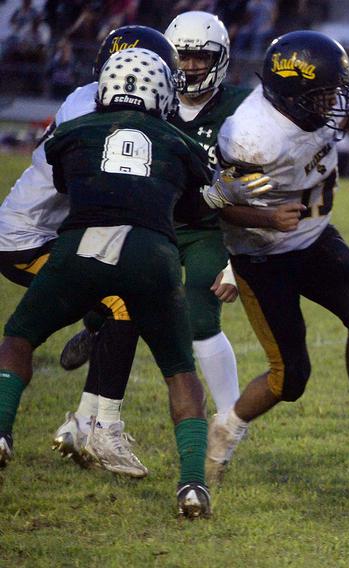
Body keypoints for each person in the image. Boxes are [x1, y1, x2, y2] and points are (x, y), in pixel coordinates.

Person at [199, 30, 349, 482]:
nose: (336, 100)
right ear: (294, 96)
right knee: (290, 378)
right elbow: (213, 202)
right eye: (325, 93)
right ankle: (224, 431)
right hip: (262, 255)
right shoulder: (252, 138)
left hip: (315, 237)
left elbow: (344, 118)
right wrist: (268, 221)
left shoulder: (312, 107)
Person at [0, 47, 214, 519]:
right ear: (162, 91)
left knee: (18, 337)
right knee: (180, 372)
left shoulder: (72, 131)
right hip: (150, 256)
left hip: (79, 247)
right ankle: (193, 485)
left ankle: (1, 431)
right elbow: (197, 206)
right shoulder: (180, 141)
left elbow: (65, 181)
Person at [53, 11, 250, 479]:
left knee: (199, 314)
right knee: (120, 302)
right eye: (182, 56)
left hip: (206, 227)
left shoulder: (243, 108)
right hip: (150, 222)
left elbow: (252, 180)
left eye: (202, 57)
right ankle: (95, 342)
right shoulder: (147, 94)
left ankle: (229, 424)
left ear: (221, 60)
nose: (191, 67)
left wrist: (240, 260)